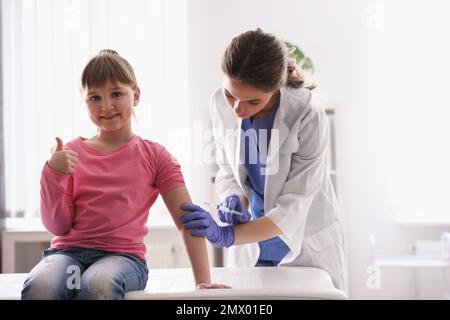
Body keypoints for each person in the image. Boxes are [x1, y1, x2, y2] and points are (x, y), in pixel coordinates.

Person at [21, 49, 228, 300]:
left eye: (116, 94)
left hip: (123, 258)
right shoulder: (71, 153)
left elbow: (188, 221)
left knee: (98, 284)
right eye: (94, 97)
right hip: (67, 254)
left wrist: (203, 282)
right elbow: (58, 226)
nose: (106, 106)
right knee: (40, 285)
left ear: (136, 95)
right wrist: (52, 174)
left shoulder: (156, 156)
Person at [181, 29, 347, 291]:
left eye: (252, 101)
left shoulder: (306, 114)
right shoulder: (218, 103)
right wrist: (234, 200)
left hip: (304, 246)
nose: (237, 109)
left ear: (276, 88)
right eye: (230, 95)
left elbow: (293, 208)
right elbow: (228, 170)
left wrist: (229, 235)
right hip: (252, 246)